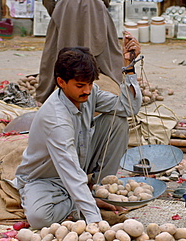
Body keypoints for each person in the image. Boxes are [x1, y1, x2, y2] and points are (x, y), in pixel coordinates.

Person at [12, 33, 142, 229]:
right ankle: (85, 200)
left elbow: (127, 108)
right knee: (39, 217)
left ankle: (100, 188)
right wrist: (94, 219)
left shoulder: (89, 93)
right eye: (80, 85)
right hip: (46, 178)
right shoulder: (56, 118)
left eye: (90, 84)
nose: (87, 91)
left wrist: (129, 68)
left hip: (80, 162)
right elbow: (69, 169)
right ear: (61, 82)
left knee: (117, 120)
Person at [37, 0, 123, 103]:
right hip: (94, 8)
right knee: (106, 55)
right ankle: (122, 92)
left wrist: (56, 10)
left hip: (66, 9)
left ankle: (46, 95)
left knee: (57, 54)